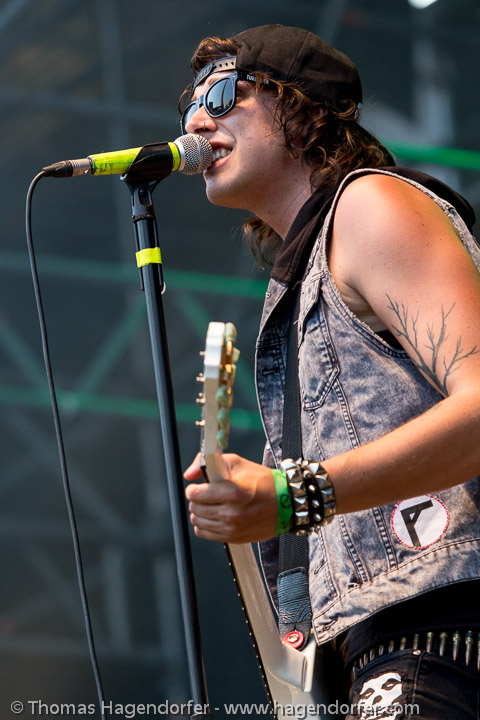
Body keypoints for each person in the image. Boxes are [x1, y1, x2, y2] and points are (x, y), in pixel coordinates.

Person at [181, 24, 480, 718]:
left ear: (301, 107)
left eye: (221, 96)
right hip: (381, 652)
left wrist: (295, 494)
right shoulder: (302, 280)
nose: (196, 121)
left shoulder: (370, 204)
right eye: (189, 107)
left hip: (446, 633)